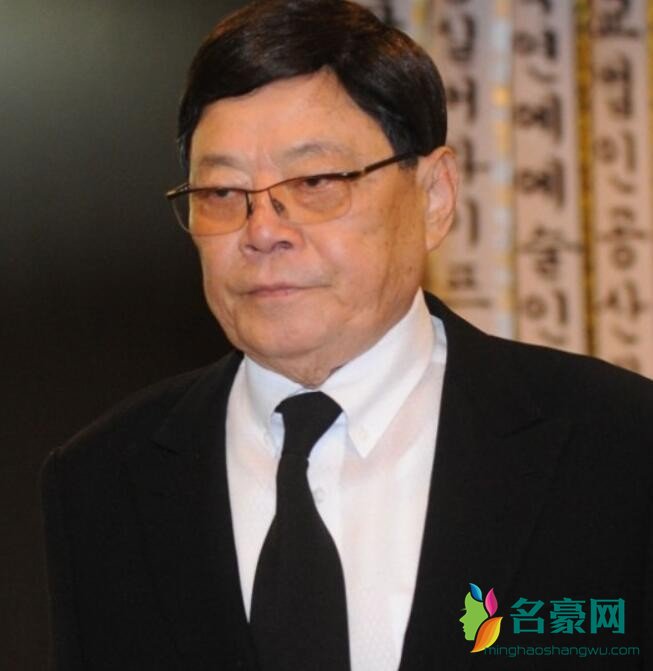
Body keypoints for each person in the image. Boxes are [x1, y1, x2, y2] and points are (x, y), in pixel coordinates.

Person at [41, 0, 653, 669]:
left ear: (434, 197)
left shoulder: (618, 445)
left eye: (315, 182)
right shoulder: (100, 480)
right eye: (221, 193)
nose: (262, 230)